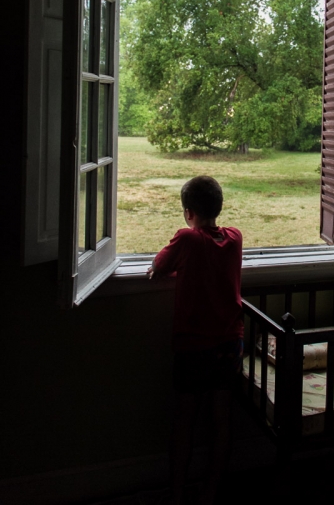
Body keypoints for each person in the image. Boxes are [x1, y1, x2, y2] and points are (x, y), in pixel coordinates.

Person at [147, 175, 244, 505]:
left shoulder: (188, 240)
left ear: (188, 213)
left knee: (185, 420)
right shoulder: (234, 237)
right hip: (230, 343)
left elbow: (160, 266)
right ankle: (210, 490)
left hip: (194, 347)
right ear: (219, 207)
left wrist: (167, 267)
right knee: (221, 419)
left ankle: (176, 492)